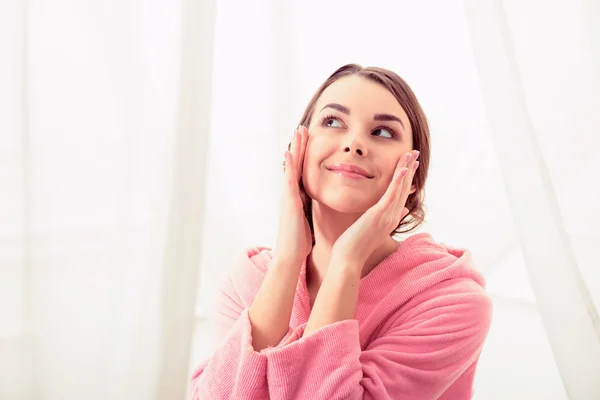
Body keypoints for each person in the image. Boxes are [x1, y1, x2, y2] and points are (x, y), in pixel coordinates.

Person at [190, 64, 493, 399]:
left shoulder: (451, 303)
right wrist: (287, 262)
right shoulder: (248, 280)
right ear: (297, 150)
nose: (353, 144)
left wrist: (345, 262)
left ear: (413, 177)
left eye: (382, 132)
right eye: (332, 122)